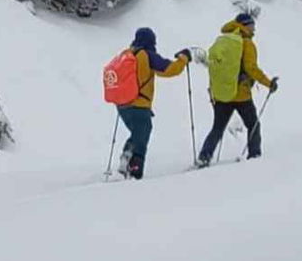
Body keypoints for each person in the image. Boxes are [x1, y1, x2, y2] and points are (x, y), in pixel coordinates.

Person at [195, 13, 278, 167]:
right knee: (253, 125)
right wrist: (268, 83)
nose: (254, 30)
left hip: (222, 94)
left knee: (218, 128)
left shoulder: (224, 40)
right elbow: (251, 68)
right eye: (251, 26)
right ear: (244, 26)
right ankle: (254, 156)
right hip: (241, 95)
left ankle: (204, 156)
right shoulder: (246, 43)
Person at [116, 27, 191, 179]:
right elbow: (170, 69)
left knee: (137, 133)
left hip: (122, 105)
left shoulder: (126, 54)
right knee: (143, 134)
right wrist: (184, 59)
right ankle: (135, 168)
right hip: (140, 104)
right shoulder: (147, 55)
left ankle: (127, 155)